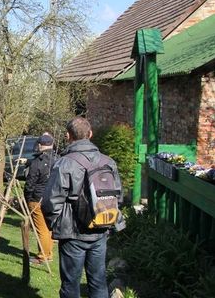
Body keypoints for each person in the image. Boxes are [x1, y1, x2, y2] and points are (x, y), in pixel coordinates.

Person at [42, 117, 125, 298]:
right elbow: (119, 196)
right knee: (98, 282)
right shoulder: (108, 162)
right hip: (101, 229)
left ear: (68, 136)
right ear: (90, 134)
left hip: (72, 233)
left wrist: (55, 224)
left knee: (71, 284)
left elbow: (50, 202)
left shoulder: (64, 164)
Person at [23, 134, 57, 265]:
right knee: (48, 228)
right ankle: (48, 253)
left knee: (41, 228)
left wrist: (27, 199)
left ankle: (43, 256)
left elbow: (30, 183)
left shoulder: (38, 162)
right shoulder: (57, 159)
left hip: (37, 198)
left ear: (40, 145)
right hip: (52, 198)